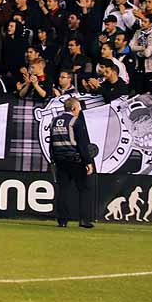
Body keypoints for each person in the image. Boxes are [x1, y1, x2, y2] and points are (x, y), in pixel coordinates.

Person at [48, 97, 95, 228]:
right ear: (74, 108)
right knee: (84, 189)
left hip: (60, 161)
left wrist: (53, 159)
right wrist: (88, 162)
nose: (79, 111)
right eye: (79, 108)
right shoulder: (76, 121)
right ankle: (84, 220)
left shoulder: (54, 121)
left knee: (63, 190)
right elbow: (82, 144)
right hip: (75, 160)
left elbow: (51, 143)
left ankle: (62, 221)